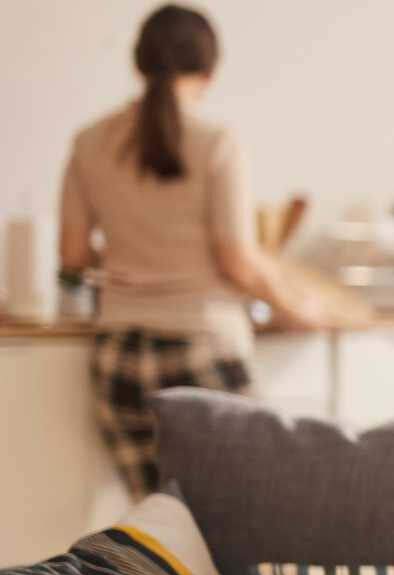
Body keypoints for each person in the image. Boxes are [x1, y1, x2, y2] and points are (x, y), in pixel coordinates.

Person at [59, 3, 323, 497]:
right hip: (202, 350)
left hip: (118, 359)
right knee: (251, 511)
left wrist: (131, 258)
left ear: (138, 64)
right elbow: (237, 261)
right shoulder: (217, 142)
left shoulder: (88, 142)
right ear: (209, 71)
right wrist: (299, 308)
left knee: (160, 521)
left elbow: (71, 255)